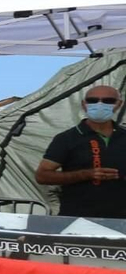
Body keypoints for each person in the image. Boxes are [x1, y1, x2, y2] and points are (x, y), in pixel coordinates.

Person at [35, 83, 126, 218]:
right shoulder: (66, 138)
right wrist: (85, 175)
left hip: (121, 221)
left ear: (118, 104)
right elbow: (42, 176)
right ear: (84, 104)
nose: (100, 105)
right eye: (93, 100)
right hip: (77, 219)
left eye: (108, 101)